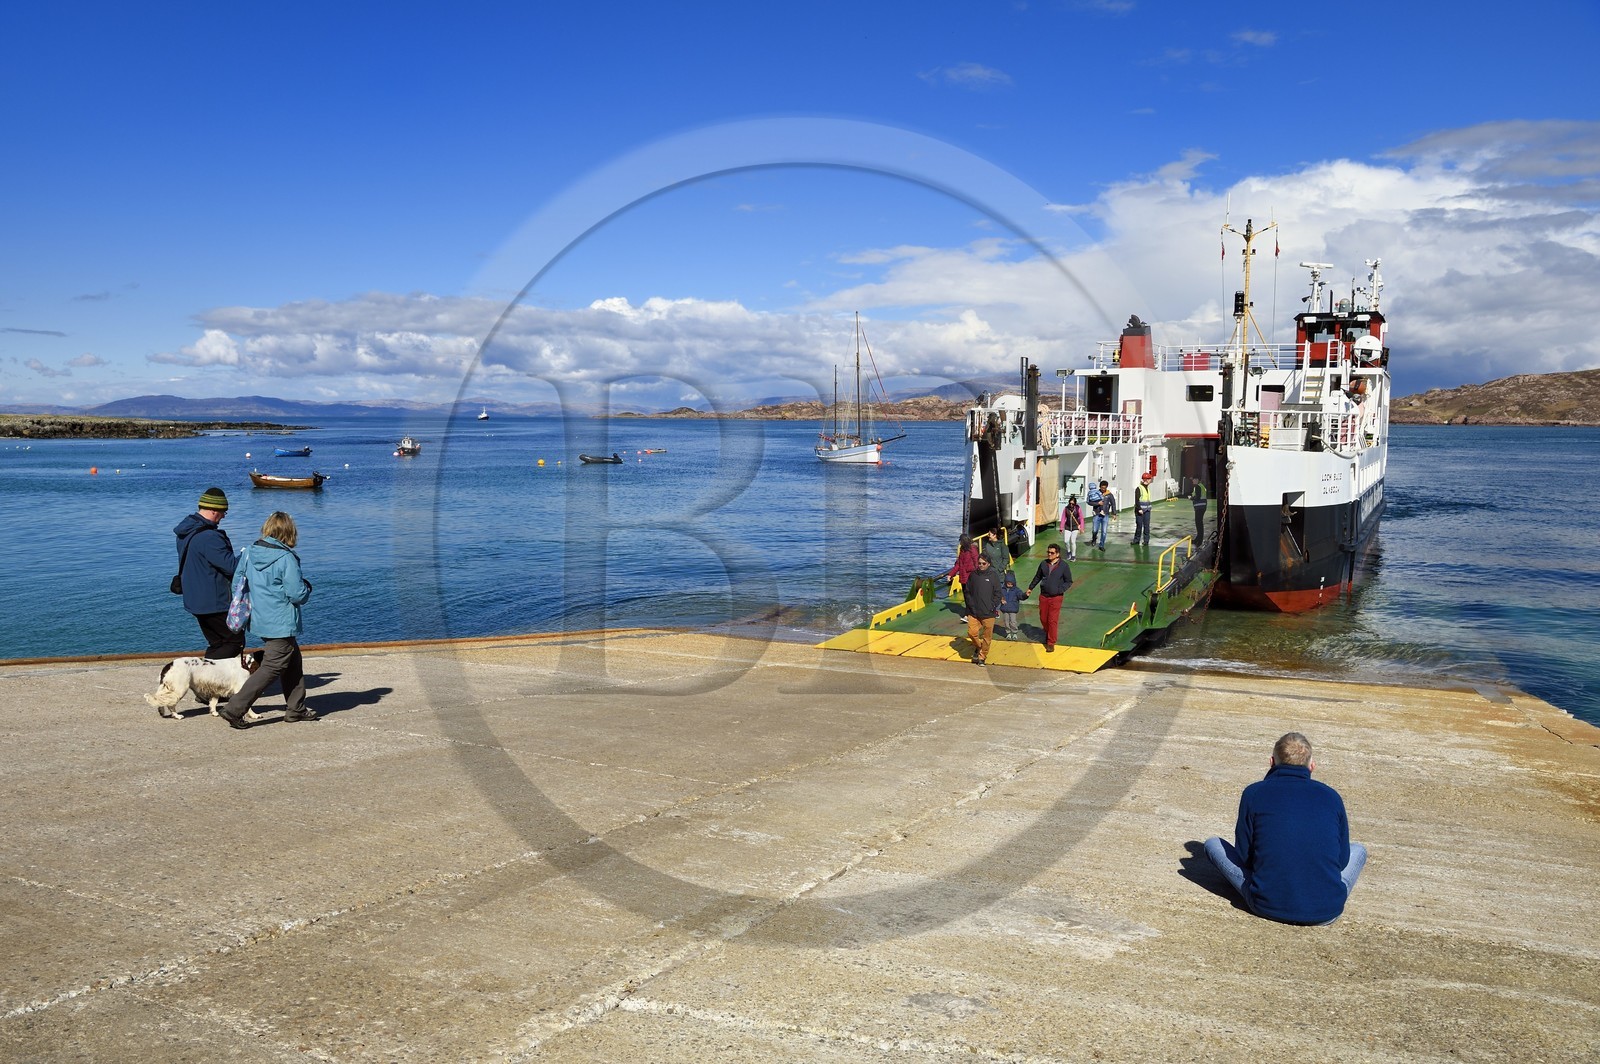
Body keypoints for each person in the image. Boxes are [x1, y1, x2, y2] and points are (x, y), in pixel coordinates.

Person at [1202, 732, 1368, 925]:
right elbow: (1341, 861)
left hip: (1266, 905)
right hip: (1328, 910)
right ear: (1312, 765)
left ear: (1272, 762)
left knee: (1212, 844)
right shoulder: (1332, 796)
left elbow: (1245, 856)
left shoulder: (1254, 793)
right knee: (1359, 850)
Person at [220, 511, 317, 729]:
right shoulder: (286, 558)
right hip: (281, 621)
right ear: (289, 532)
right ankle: (234, 709)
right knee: (272, 667)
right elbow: (296, 594)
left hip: (260, 618)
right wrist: (306, 589)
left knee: (293, 661)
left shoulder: (249, 552)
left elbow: (237, 584)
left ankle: (296, 709)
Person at [172, 487, 241, 661]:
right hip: (213, 601)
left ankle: (209, 681)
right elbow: (232, 567)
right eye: (223, 512)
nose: (224, 516)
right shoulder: (210, 537)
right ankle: (204, 677)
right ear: (213, 510)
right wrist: (248, 555)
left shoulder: (185, 531)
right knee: (233, 642)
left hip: (195, 599)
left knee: (217, 642)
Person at [1026, 543, 1072, 652]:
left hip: (1056, 597)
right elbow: (1037, 577)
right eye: (1048, 552)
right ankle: (1049, 632)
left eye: (1052, 553)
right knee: (1043, 618)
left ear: (1057, 554)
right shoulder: (1043, 564)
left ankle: (1051, 642)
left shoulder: (1064, 566)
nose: (1049, 554)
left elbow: (1068, 581)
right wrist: (1030, 588)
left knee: (1052, 620)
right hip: (1044, 596)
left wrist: (1059, 590)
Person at [962, 552, 1002, 665]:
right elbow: (968, 592)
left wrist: (993, 605)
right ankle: (979, 647)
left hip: (989, 613)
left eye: (983, 563)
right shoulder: (973, 575)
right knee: (971, 632)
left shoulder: (993, 576)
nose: (981, 565)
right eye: (979, 563)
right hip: (974, 612)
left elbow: (998, 593)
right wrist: (970, 605)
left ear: (988, 564)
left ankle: (982, 657)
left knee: (987, 637)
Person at [998, 570, 1023, 640]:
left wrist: (1025, 595)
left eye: (1011, 584)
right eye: (1008, 584)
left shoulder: (1016, 590)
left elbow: (1021, 595)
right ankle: (1008, 633)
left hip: (1013, 609)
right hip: (1005, 609)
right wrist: (1001, 600)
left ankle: (1014, 633)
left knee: (1013, 621)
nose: (1010, 585)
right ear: (1005, 583)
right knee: (1006, 621)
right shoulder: (1002, 589)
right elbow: (999, 596)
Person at [1131, 474, 1153, 546]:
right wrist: (1139, 509)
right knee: (1139, 525)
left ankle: (1146, 541)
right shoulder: (1139, 488)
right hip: (1140, 511)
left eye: (1149, 479)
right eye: (1146, 479)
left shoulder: (1148, 489)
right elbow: (1137, 500)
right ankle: (1136, 540)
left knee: (1146, 526)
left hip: (1147, 510)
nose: (1148, 481)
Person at [1059, 494, 1082, 560]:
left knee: (1072, 541)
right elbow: (1063, 518)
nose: (1071, 505)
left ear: (1075, 504)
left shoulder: (1078, 509)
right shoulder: (1066, 509)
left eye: (1073, 504)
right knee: (1066, 541)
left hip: (1075, 527)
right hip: (1067, 527)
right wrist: (1061, 528)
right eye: (1070, 503)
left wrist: (1081, 527)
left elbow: (1081, 518)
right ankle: (1068, 552)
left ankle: (1073, 556)